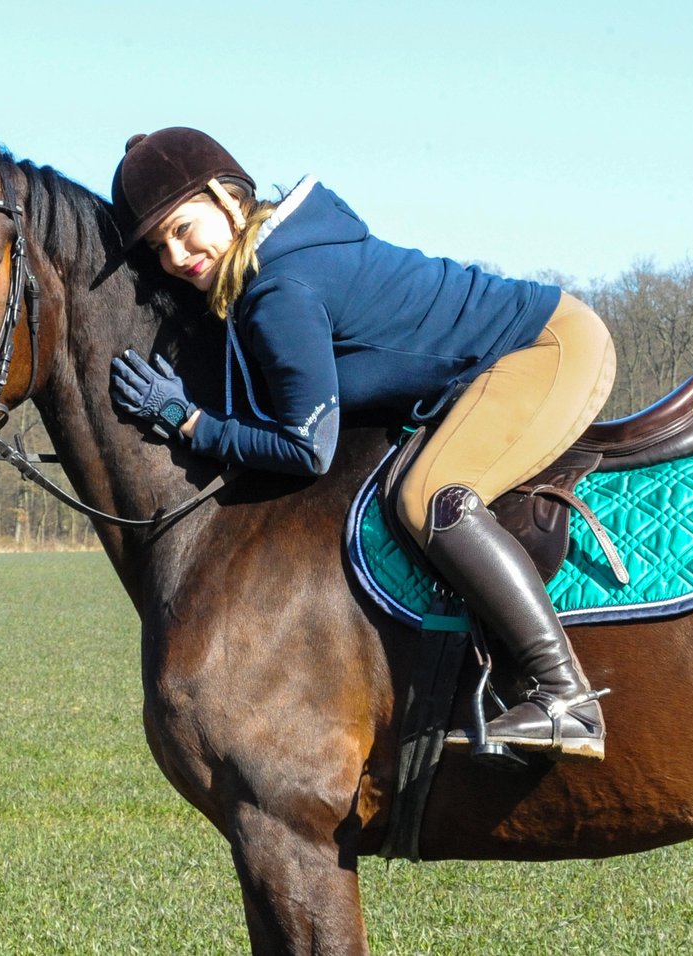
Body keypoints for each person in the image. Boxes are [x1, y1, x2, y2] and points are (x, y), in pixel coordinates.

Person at [109, 128, 616, 762]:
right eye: (159, 247)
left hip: (548, 347)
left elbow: (304, 448)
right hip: (506, 355)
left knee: (430, 498)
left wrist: (189, 423)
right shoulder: (274, 269)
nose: (177, 256)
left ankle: (565, 697)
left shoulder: (279, 290)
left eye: (184, 228)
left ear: (227, 198)